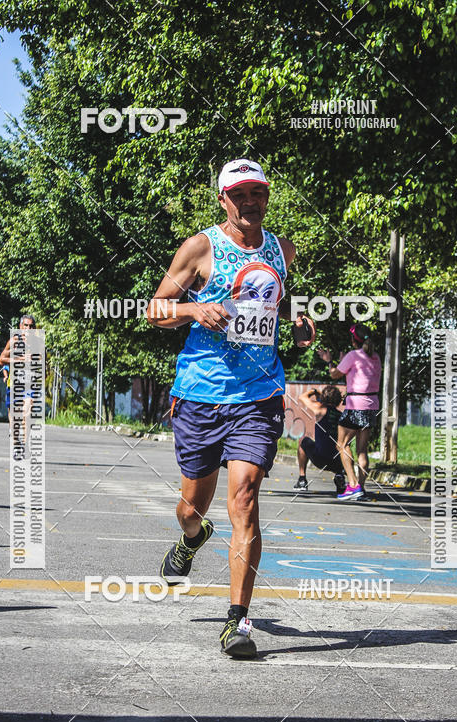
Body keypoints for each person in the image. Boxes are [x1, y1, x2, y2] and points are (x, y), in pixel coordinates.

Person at [147, 159, 315, 659]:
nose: (249, 202)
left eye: (257, 193)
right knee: (190, 509)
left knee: (244, 498)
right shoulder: (200, 248)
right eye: (239, 194)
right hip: (200, 394)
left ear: (266, 196)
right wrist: (192, 309)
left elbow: (279, 303)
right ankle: (191, 540)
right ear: (223, 199)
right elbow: (155, 308)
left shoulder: (282, 250)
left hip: (258, 397)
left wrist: (300, 323)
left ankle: (236, 624)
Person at [317, 323, 381, 501]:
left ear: (354, 340)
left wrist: (329, 360)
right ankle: (361, 487)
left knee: (342, 444)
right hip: (372, 405)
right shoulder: (375, 356)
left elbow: (334, 374)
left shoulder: (353, 355)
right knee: (362, 449)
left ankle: (353, 485)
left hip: (355, 404)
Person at [293, 385, 346, 493]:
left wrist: (315, 391)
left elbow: (302, 397)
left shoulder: (319, 408)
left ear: (323, 398)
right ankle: (340, 475)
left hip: (320, 457)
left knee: (303, 440)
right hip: (337, 461)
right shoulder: (341, 415)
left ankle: (302, 479)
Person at [0, 314, 37, 444]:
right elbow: (1, 360)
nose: (28, 328)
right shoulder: (14, 341)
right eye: (26, 325)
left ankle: (25, 444)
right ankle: (16, 443)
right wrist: (19, 359)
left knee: (27, 411)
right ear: (21, 327)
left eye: (31, 326)